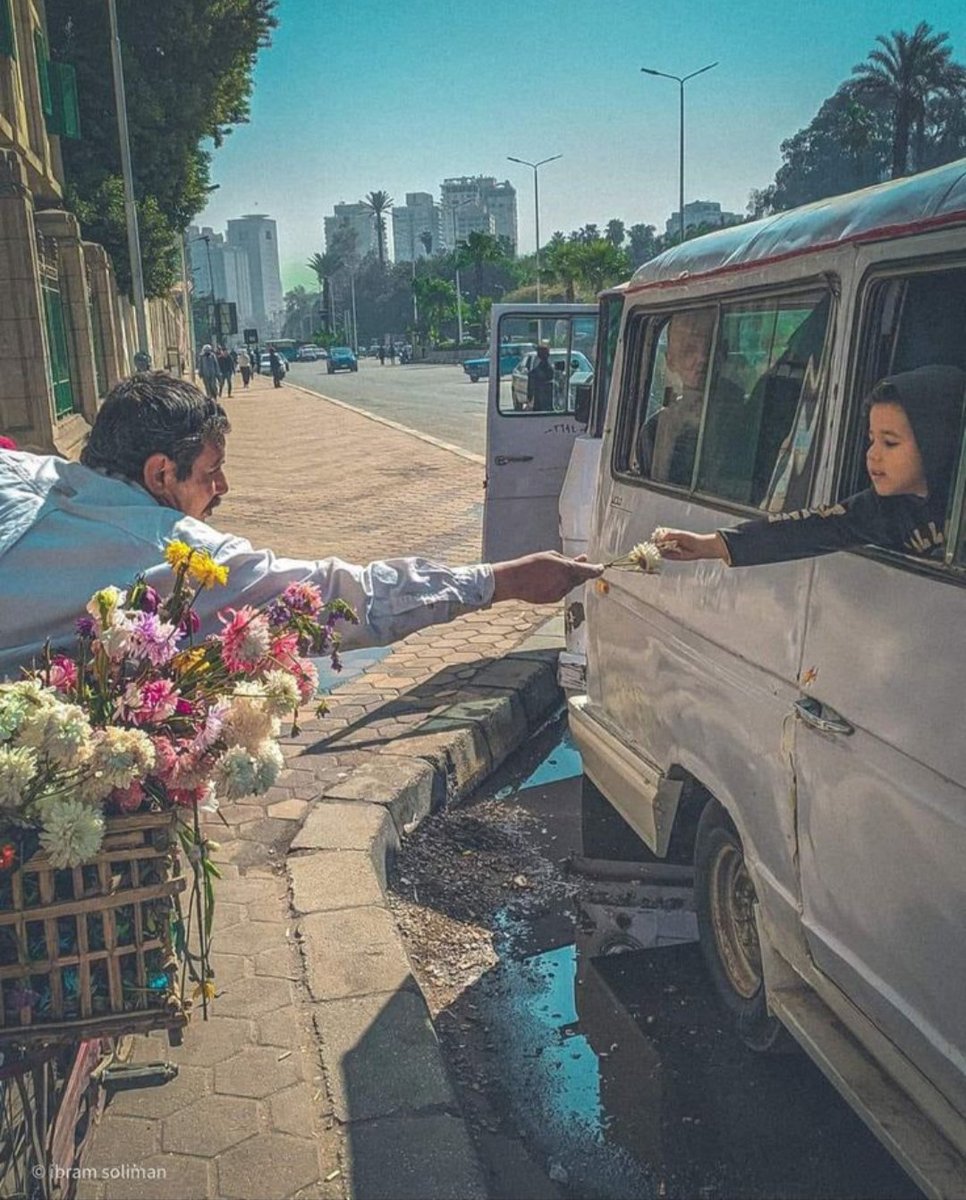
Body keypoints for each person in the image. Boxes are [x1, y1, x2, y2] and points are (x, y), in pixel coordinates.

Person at [0, 374, 602, 674]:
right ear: (161, 474)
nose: (222, 491)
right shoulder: (168, 554)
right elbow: (336, 598)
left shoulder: (26, 475)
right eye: (210, 473)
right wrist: (502, 581)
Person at [654, 365, 966, 568]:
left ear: (937, 441)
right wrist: (708, 545)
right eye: (871, 440)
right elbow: (809, 528)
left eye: (891, 443)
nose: (873, 455)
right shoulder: (884, 508)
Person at [527, 344, 555, 413]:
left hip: (540, 406)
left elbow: (530, 394)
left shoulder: (534, 372)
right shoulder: (552, 371)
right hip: (548, 406)